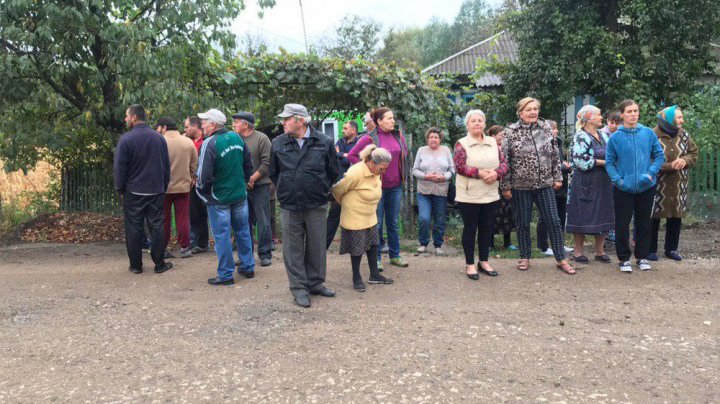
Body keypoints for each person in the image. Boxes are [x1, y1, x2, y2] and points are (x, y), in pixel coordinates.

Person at [269, 103, 339, 308]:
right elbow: (274, 172)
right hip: (290, 203)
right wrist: (284, 189)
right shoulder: (278, 143)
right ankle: (299, 288)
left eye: (286, 119)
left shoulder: (324, 141)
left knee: (317, 245)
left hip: (316, 203)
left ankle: (315, 283)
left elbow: (333, 171)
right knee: (293, 249)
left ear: (300, 120)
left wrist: (321, 188)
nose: (283, 122)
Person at [500, 97, 575, 274]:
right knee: (523, 223)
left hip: (544, 184)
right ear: (520, 112)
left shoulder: (546, 128)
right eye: (528, 109)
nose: (533, 112)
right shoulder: (510, 131)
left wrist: (558, 177)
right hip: (520, 186)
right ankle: (525, 257)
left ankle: (561, 258)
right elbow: (504, 160)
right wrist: (506, 186)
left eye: (535, 109)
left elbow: (555, 155)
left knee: (554, 221)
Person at [196, 108, 255, 285]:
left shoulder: (210, 143)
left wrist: (203, 191)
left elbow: (203, 175)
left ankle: (226, 274)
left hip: (219, 198)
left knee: (222, 236)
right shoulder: (236, 137)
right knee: (243, 231)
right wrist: (243, 183)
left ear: (213, 124)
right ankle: (248, 266)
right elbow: (248, 164)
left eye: (204, 122)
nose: (202, 125)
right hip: (239, 195)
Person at [605, 99, 666, 272]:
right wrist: (618, 180)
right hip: (623, 188)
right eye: (629, 111)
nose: (633, 114)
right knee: (622, 224)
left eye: (635, 111)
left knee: (644, 222)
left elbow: (659, 156)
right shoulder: (615, 137)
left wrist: (649, 174)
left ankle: (642, 257)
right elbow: (609, 162)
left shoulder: (647, 133)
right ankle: (624, 259)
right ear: (622, 114)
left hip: (646, 186)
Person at [348, 107, 410, 269]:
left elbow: (404, 154)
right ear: (379, 121)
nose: (392, 121)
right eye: (389, 118)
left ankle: (395, 255)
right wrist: (368, 169)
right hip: (376, 188)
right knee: (376, 223)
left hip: (395, 186)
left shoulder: (398, 136)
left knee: (393, 222)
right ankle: (376, 259)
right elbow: (352, 155)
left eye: (393, 118)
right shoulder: (369, 139)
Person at [113, 104, 173, 274]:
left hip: (134, 191)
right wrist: (163, 185)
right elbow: (165, 166)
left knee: (133, 227)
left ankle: (136, 265)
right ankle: (159, 263)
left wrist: (120, 188)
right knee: (157, 226)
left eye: (126, 116)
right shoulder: (159, 138)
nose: (125, 119)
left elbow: (120, 167)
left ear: (133, 117)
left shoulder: (126, 139)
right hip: (156, 189)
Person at [332, 145, 395, 291]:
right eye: (382, 168)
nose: (383, 172)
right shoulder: (355, 172)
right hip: (354, 216)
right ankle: (356, 278)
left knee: (373, 244)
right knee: (357, 248)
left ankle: (374, 275)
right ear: (371, 162)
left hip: (370, 214)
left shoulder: (375, 171)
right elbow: (339, 189)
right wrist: (346, 204)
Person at [454, 110, 508, 279]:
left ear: (484, 124)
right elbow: (460, 166)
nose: (477, 123)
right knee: (470, 229)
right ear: (467, 125)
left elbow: (504, 162)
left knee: (487, 228)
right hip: (469, 195)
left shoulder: (493, 142)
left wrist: (497, 174)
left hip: (490, 194)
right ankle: (470, 264)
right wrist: (480, 173)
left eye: (480, 120)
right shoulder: (461, 143)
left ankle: (483, 261)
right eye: (473, 121)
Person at [565, 105, 614, 263]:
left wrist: (609, 162)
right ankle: (578, 252)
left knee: (603, 214)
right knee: (582, 215)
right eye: (599, 115)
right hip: (585, 182)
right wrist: (604, 162)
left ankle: (599, 252)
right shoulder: (581, 136)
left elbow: (612, 154)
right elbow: (581, 161)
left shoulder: (603, 135)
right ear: (589, 118)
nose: (601, 117)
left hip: (604, 183)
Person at [649, 105, 698, 262]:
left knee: (676, 217)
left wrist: (684, 160)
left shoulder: (683, 135)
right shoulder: (652, 135)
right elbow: (647, 159)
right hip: (657, 182)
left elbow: (694, 153)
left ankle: (671, 249)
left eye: (681, 117)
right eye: (679, 117)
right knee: (653, 216)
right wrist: (669, 166)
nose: (682, 120)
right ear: (668, 119)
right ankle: (650, 250)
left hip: (679, 183)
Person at [232, 111, 273, 267]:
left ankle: (265, 253)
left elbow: (267, 162)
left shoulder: (262, 138)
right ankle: (246, 255)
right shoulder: (235, 139)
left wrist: (253, 178)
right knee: (242, 222)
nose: (234, 125)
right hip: (241, 187)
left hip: (260, 186)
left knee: (263, 221)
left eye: (236, 122)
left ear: (246, 124)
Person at [156, 117, 197, 259]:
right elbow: (194, 164)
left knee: (164, 219)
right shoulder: (187, 142)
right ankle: (185, 247)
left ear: (164, 127)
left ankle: (163, 247)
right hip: (183, 186)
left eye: (158, 127)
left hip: (163, 188)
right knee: (183, 218)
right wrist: (192, 178)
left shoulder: (159, 141)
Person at [412, 127, 454, 255]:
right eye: (431, 137)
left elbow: (452, 170)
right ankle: (423, 243)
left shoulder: (446, 150)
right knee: (424, 218)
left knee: (440, 219)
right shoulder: (421, 150)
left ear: (440, 139)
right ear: (427, 139)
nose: (433, 139)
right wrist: (426, 176)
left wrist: (444, 177)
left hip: (441, 191)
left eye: (436, 137)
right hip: (424, 190)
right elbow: (414, 170)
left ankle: (437, 245)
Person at [537, 119, 574, 256]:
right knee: (546, 216)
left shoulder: (558, 142)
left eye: (556, 128)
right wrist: (563, 166)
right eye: (553, 128)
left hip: (562, 186)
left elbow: (561, 163)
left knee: (560, 216)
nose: (556, 131)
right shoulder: (540, 145)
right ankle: (543, 246)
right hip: (548, 186)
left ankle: (559, 244)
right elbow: (548, 165)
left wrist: (566, 168)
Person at [326, 120, 361, 249]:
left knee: (354, 218)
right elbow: (333, 157)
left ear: (353, 130)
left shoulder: (359, 143)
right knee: (333, 218)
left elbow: (354, 160)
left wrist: (341, 155)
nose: (343, 130)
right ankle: (323, 247)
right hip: (339, 187)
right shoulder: (340, 142)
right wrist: (343, 155)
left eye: (346, 128)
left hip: (353, 188)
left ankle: (356, 248)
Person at [487, 125, 517, 251]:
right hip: (492, 185)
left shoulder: (507, 148)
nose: (503, 137)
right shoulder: (488, 149)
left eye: (504, 134)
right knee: (491, 214)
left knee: (507, 213)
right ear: (493, 136)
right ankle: (489, 243)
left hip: (507, 185)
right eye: (501, 134)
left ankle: (507, 242)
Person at [184, 116, 209, 254]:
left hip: (204, 183)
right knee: (192, 213)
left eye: (187, 127)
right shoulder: (185, 142)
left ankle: (203, 242)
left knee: (204, 212)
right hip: (189, 184)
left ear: (195, 127)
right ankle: (195, 242)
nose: (185, 129)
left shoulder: (207, 141)